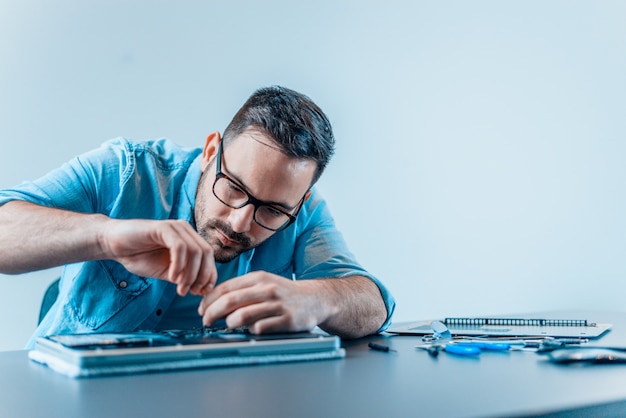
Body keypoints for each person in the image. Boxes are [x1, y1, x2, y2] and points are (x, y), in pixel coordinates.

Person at [0, 86, 395, 348]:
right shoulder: (124, 171)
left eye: (272, 210)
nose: (240, 224)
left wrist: (316, 299)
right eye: (234, 188)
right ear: (211, 151)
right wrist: (107, 237)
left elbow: (373, 302)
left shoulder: (302, 211)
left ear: (300, 199)